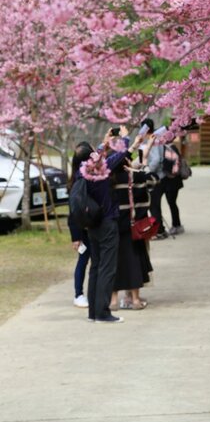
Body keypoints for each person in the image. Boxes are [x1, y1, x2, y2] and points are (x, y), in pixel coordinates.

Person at [72, 126, 143, 323]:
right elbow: (120, 155)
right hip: (107, 222)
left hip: (92, 225)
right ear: (92, 156)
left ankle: (93, 312)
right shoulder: (102, 170)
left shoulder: (81, 172)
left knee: (95, 267)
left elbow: (102, 156)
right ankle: (103, 312)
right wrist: (126, 138)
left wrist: (105, 142)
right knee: (107, 268)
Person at [109, 152, 157, 310]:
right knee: (134, 262)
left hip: (115, 226)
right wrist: (142, 166)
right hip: (134, 226)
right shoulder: (135, 176)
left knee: (113, 263)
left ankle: (113, 301)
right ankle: (135, 300)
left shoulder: (109, 179)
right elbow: (153, 181)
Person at [67, 210, 90, 308]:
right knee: (82, 261)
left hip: (94, 230)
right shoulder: (76, 195)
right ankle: (78, 294)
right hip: (83, 233)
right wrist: (76, 237)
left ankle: (94, 292)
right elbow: (73, 216)